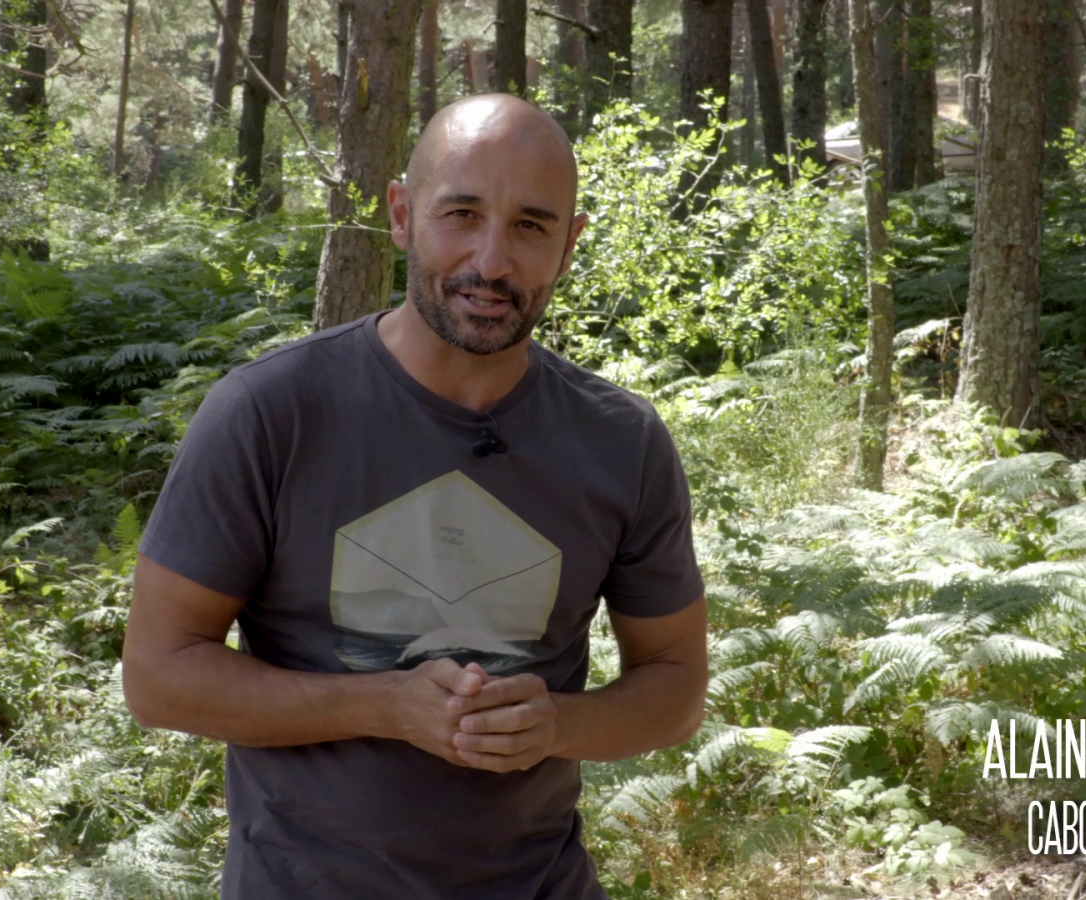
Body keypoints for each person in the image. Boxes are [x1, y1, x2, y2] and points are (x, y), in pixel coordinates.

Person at [122, 93, 708, 899]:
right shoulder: (270, 413)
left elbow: (674, 687)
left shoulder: (622, 441)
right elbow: (158, 677)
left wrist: (556, 724)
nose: (491, 262)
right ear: (401, 215)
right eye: (461, 214)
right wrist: (387, 705)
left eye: (530, 227)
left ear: (569, 246)